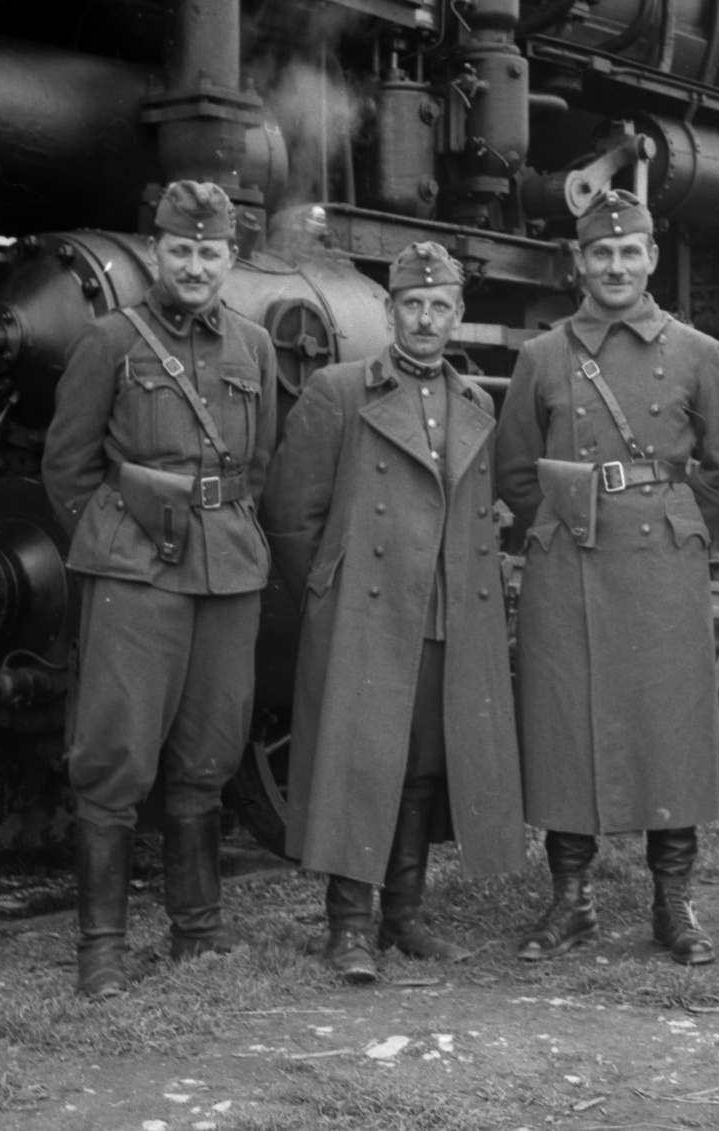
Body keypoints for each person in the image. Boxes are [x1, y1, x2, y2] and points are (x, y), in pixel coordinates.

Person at [496, 190, 719, 966]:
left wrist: (674, 511)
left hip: (660, 563)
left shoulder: (696, 351)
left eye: (629, 252)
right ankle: (569, 899)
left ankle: (673, 901)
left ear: (650, 258)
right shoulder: (542, 356)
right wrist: (566, 516)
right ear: (580, 260)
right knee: (565, 720)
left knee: (668, 724)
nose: (614, 266)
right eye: (599, 253)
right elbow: (515, 471)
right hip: (569, 560)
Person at [263, 242, 525, 983]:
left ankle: (403, 916)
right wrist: (329, 595)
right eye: (412, 303)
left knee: (420, 765)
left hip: (446, 611)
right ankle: (347, 926)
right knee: (360, 758)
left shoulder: (474, 402)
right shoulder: (339, 391)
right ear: (388, 310)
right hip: (366, 612)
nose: (425, 318)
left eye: (440, 305)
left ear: (459, 316)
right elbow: (290, 514)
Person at [43, 180, 278, 999]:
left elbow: (260, 464)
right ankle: (101, 947)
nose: (195, 265)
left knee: (209, 753)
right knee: (112, 757)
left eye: (210, 252)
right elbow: (67, 468)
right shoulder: (110, 341)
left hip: (227, 572)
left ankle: (198, 931)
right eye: (180, 249)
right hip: (135, 570)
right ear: (157, 251)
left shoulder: (254, 346)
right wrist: (113, 544)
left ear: (231, 258)